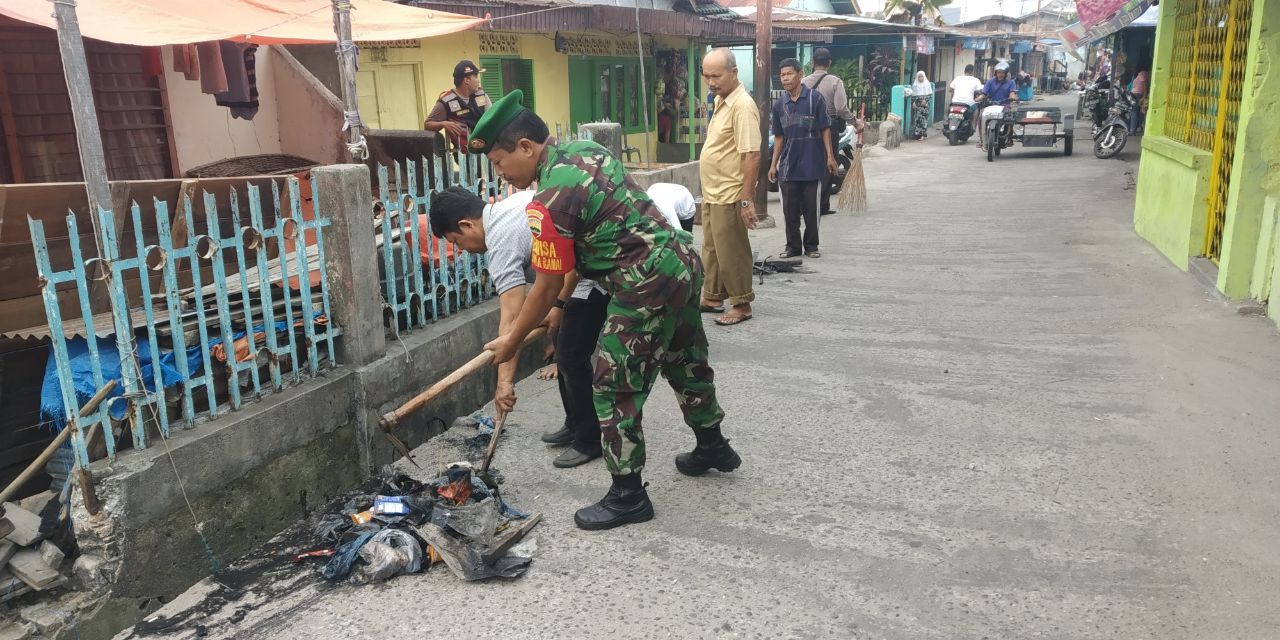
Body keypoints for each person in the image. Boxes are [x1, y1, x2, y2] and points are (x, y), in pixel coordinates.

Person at [470, 90, 740, 530]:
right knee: (684, 359)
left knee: (614, 384)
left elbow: (546, 283)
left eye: (499, 162)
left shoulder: (550, 199)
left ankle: (628, 495)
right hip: (680, 263)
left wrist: (512, 340)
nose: (500, 174)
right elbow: (573, 261)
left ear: (525, 147)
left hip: (643, 282)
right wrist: (556, 310)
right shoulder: (584, 150)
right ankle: (712, 444)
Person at [698, 47, 760, 327]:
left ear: (733, 73)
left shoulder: (742, 105)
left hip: (730, 192)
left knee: (731, 249)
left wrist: (746, 200)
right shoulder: (722, 100)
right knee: (712, 248)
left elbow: (752, 155)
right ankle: (711, 297)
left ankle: (742, 303)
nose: (711, 82)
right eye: (706, 75)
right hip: (713, 191)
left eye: (716, 76)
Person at [770, 58, 835, 260]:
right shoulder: (780, 105)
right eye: (782, 75)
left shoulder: (815, 99)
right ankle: (793, 247)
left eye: (789, 74)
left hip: (812, 164)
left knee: (811, 210)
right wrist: (773, 164)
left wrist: (830, 157)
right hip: (788, 166)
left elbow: (825, 128)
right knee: (789, 211)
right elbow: (779, 137)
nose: (785, 78)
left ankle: (811, 246)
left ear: (800, 75)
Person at [802, 47, 857, 217]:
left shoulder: (803, 82)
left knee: (808, 163)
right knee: (828, 163)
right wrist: (855, 121)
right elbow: (841, 108)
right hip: (829, 127)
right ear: (829, 63)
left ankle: (807, 204)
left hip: (806, 127)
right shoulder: (835, 82)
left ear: (812, 63)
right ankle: (822, 205)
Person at [424, 60, 491, 150]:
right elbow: (427, 124)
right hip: (463, 155)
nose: (478, 81)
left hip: (486, 150)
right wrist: (443, 124)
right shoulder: (446, 101)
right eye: (475, 76)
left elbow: (493, 118)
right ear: (466, 80)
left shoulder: (481, 94)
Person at [977, 62, 1017, 149]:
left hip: (1005, 105)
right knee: (980, 116)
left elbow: (1012, 93)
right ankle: (981, 139)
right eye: (998, 72)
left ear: (1006, 73)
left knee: (1010, 118)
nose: (1000, 74)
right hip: (990, 105)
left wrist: (1013, 97)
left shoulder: (1011, 82)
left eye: (1002, 72)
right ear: (995, 73)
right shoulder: (990, 82)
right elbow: (984, 93)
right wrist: (979, 98)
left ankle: (1009, 138)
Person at [950, 64, 985, 134]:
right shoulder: (976, 80)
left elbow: (950, 89)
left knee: (948, 110)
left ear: (964, 71)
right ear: (972, 72)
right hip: (968, 103)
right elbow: (981, 92)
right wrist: (977, 98)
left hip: (955, 103)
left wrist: (954, 97)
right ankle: (973, 126)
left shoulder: (957, 78)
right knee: (976, 110)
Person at [909, 70, 934, 140]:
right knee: (917, 119)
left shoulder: (927, 84)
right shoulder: (915, 85)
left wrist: (925, 100)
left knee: (923, 120)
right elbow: (913, 95)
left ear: (924, 77)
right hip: (917, 104)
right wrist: (913, 102)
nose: (920, 78)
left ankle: (923, 135)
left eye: (922, 76)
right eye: (919, 77)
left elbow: (930, 94)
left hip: (924, 105)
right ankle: (917, 134)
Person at [1129, 69, 1149, 134]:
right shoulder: (1143, 73)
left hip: (1136, 94)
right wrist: (1144, 96)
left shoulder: (1141, 73)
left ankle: (1133, 129)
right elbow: (1144, 85)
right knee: (1139, 111)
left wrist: (1143, 96)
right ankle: (1137, 127)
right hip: (1138, 94)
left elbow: (1144, 84)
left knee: (1134, 111)